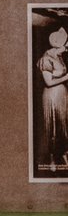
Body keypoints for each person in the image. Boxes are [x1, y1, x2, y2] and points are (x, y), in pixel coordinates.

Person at [39, 26, 68, 172]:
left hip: (62, 96)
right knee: (52, 126)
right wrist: (66, 77)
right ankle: (51, 159)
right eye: (66, 44)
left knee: (63, 125)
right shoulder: (45, 59)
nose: (67, 47)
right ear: (58, 44)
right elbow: (48, 82)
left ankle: (63, 154)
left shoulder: (59, 57)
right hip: (51, 96)